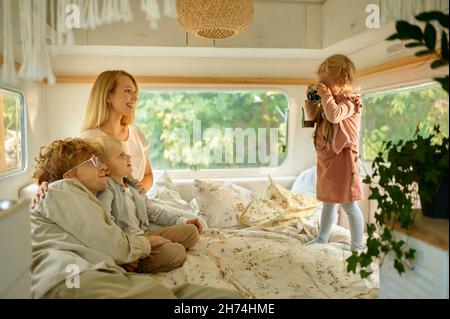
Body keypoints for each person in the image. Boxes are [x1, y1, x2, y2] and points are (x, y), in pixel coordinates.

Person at [31, 138, 241, 299]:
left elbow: (103, 240)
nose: (104, 166)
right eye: (94, 162)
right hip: (73, 277)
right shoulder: (61, 189)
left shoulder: (75, 197)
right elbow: (112, 245)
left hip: (86, 274)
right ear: (69, 176)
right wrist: (147, 243)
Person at [31, 70, 153, 208]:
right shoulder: (89, 139)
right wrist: (44, 185)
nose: (135, 98)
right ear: (108, 96)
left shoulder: (136, 133)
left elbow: (148, 175)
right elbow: (64, 175)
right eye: (128, 91)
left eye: (135, 92)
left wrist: (135, 196)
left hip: (140, 205)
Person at [95, 135, 202, 273]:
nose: (129, 157)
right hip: (130, 244)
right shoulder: (106, 189)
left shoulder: (133, 185)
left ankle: (158, 247)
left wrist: (183, 220)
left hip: (146, 235)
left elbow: (153, 211)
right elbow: (106, 223)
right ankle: (139, 261)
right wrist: (123, 253)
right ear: (106, 167)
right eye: (121, 155)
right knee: (177, 252)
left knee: (192, 232)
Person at [303, 54, 365, 252]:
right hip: (328, 159)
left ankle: (356, 245)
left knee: (348, 205)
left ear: (342, 81)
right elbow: (312, 120)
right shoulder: (329, 101)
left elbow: (335, 116)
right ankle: (322, 238)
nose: (323, 87)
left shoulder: (351, 102)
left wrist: (326, 96)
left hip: (344, 159)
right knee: (328, 202)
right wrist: (311, 103)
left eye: (326, 84)